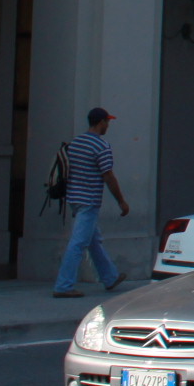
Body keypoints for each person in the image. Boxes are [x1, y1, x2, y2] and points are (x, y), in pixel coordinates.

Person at [51, 106, 129, 297]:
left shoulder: (76, 143)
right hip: (89, 200)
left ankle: (110, 277)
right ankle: (63, 286)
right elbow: (108, 176)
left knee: (94, 241)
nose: (108, 125)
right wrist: (121, 201)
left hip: (74, 199)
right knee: (78, 243)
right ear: (101, 122)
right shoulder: (101, 147)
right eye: (107, 122)